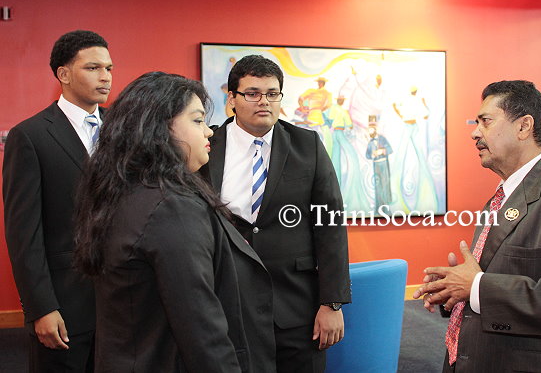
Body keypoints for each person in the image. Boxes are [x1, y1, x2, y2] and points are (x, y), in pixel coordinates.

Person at [73, 71, 275, 372]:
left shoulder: (127, 191)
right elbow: (201, 328)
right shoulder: (171, 208)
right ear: (159, 129)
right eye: (197, 121)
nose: (208, 132)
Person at [413, 80, 541, 372]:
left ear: (523, 126)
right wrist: (454, 289)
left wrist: (475, 286)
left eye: (486, 121)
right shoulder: (499, 199)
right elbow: (490, 281)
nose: (474, 132)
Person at [200, 55, 351, 373]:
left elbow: (330, 225)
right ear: (232, 99)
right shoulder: (207, 147)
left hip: (296, 306)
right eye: (252, 93)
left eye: (272, 93)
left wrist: (332, 302)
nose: (264, 101)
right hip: (227, 302)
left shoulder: (307, 145)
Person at [3, 30, 113, 372]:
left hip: (122, 300)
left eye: (109, 68)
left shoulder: (123, 129)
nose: (105, 76)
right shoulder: (30, 136)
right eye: (93, 68)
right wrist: (41, 307)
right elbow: (24, 234)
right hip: (66, 302)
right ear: (63, 74)